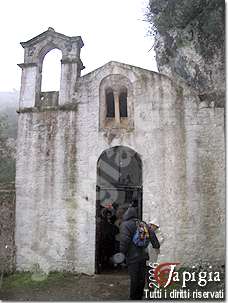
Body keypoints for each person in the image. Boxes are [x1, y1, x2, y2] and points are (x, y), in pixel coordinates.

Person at [120, 205, 160, 300]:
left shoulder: (125, 225)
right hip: (144, 256)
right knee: (141, 278)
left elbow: (124, 241)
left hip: (132, 257)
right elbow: (154, 238)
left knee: (134, 278)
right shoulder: (143, 224)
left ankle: (134, 298)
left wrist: (122, 253)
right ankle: (139, 295)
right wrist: (156, 246)